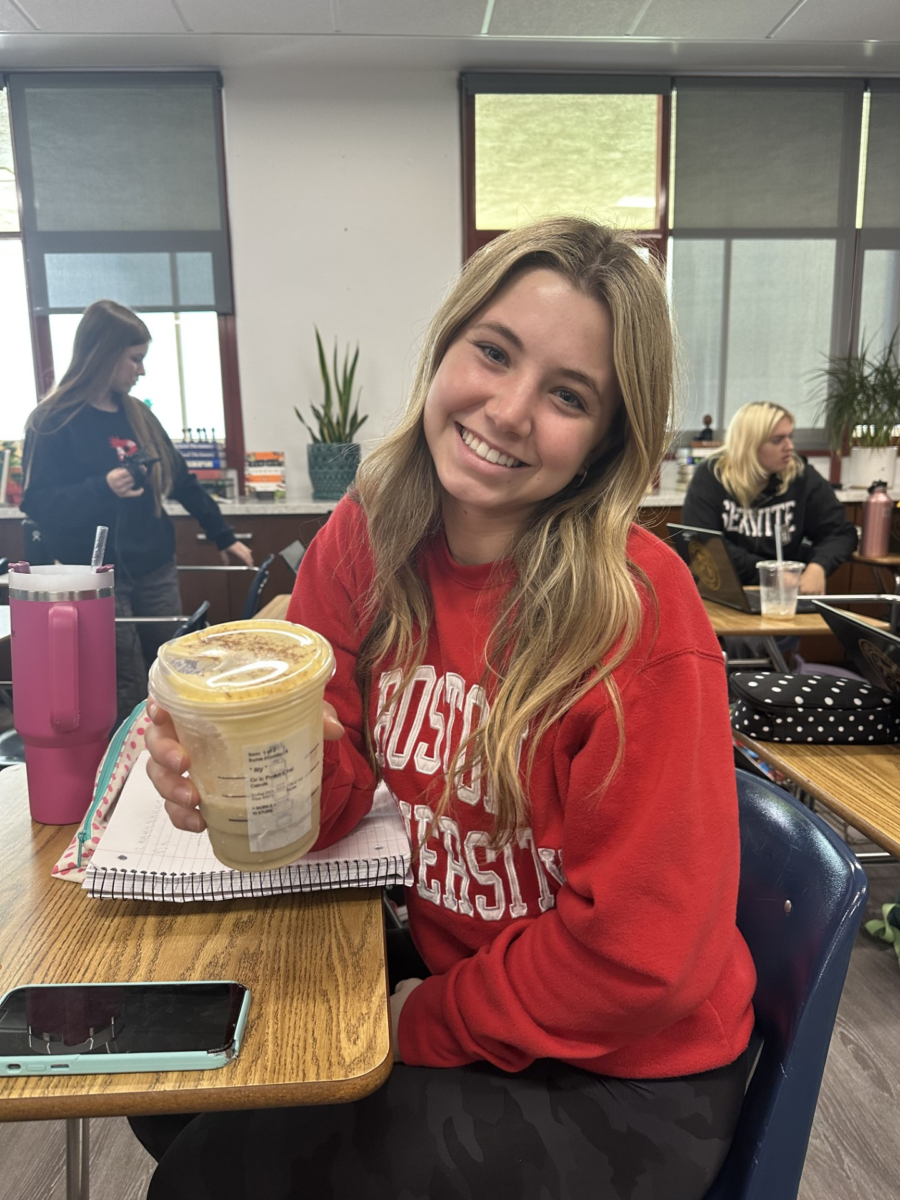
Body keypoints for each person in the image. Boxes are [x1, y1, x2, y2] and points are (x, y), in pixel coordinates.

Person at [134, 218, 756, 1200]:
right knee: (168, 1076)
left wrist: (419, 1018)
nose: (509, 410)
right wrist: (239, 775)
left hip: (622, 1074)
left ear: (605, 441)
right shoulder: (369, 533)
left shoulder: (637, 612)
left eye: (567, 395)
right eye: (494, 353)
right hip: (470, 987)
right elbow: (333, 802)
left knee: (217, 1174)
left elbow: (646, 965)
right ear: (447, 345)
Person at [21, 300, 254, 723]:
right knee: (125, 684)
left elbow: (183, 482)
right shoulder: (51, 421)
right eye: (135, 359)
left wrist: (225, 538)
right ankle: (125, 778)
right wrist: (102, 487)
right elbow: (37, 504)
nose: (141, 371)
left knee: (170, 679)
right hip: (97, 580)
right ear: (104, 354)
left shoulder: (139, 415)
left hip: (155, 568)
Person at [682, 401, 858, 595]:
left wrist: (818, 566)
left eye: (790, 437)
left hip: (785, 595)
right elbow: (702, 544)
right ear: (749, 445)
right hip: (726, 591)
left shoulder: (801, 476)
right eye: (777, 440)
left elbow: (841, 533)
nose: (789, 447)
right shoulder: (712, 476)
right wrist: (769, 573)